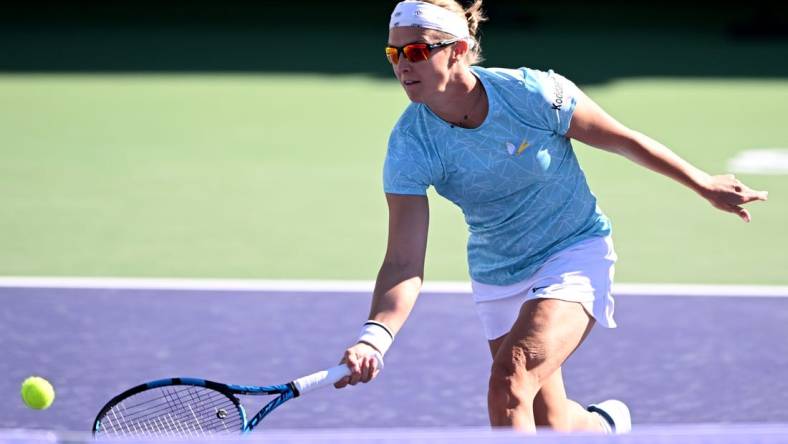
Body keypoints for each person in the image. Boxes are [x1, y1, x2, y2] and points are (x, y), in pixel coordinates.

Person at [333, 0, 769, 434]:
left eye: (417, 51)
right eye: (394, 54)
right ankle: (604, 427)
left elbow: (623, 140)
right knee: (551, 420)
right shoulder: (409, 144)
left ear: (459, 49)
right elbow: (403, 262)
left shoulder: (533, 94)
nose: (403, 65)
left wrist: (702, 183)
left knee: (509, 382)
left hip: (572, 253)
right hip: (497, 273)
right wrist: (375, 335)